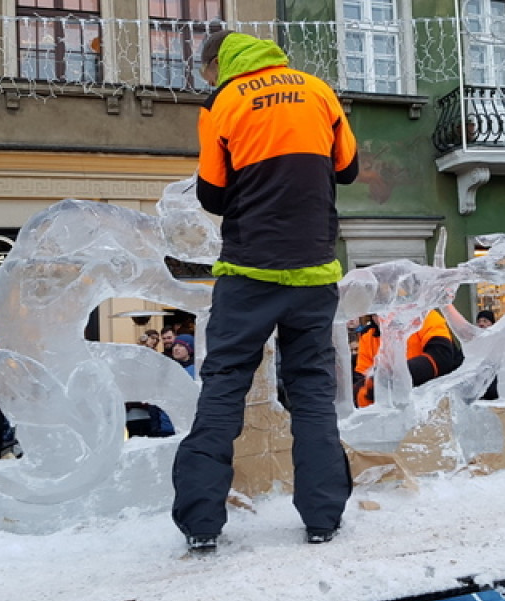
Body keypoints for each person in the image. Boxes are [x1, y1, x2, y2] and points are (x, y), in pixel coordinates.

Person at [171, 29, 358, 553]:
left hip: (249, 270)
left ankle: (201, 522)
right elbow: (348, 168)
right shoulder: (317, 91)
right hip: (315, 272)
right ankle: (323, 517)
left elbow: (211, 194)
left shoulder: (222, 103)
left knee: (224, 387)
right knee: (313, 393)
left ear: (216, 64)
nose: (206, 80)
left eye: (204, 72)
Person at [353, 310, 462, 408]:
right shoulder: (368, 337)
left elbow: (441, 358)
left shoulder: (426, 317)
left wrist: (394, 376)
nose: (386, 318)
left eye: (391, 310)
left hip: (437, 402)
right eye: (379, 314)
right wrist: (374, 387)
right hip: (393, 413)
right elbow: (360, 385)